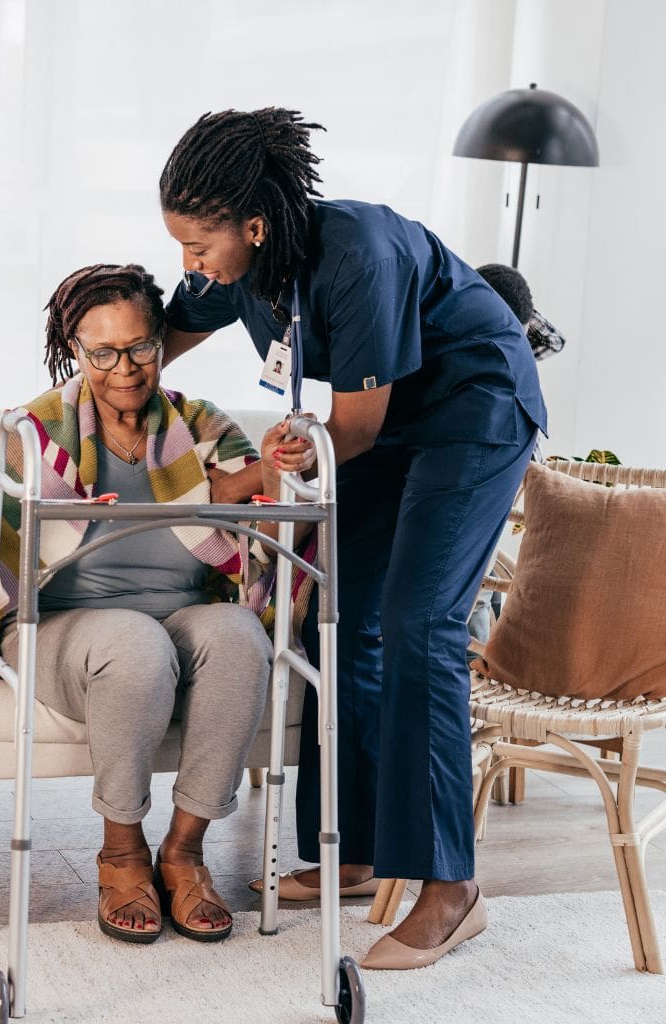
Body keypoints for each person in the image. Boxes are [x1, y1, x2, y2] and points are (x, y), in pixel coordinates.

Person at [157, 108, 547, 969]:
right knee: (329, 616)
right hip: (386, 422)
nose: (190, 265)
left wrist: (266, 468)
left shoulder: (357, 254)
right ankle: (361, 853)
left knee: (419, 623)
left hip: (472, 408)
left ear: (252, 226)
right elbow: (156, 343)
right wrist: (78, 386)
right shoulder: (233, 262)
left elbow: (354, 429)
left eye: (198, 246)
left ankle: (452, 889)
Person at [0, 264, 307, 945]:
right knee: (132, 641)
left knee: (241, 635)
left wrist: (269, 479)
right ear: (75, 350)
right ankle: (122, 854)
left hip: (185, 612)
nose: (124, 367)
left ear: (160, 340)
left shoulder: (201, 424)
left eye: (140, 346)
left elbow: (264, 550)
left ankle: (182, 853)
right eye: (102, 353)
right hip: (64, 626)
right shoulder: (31, 435)